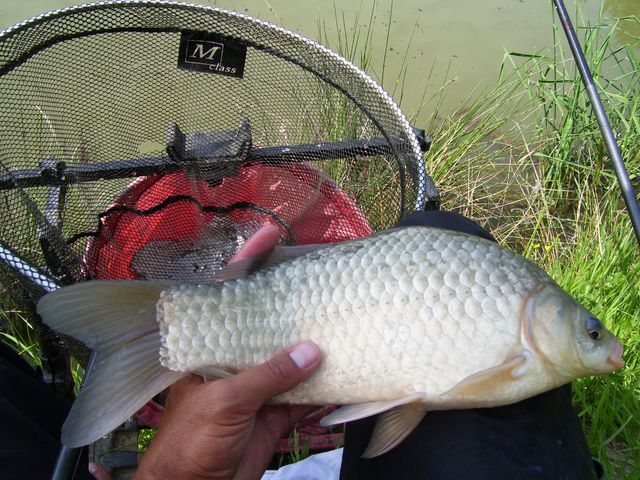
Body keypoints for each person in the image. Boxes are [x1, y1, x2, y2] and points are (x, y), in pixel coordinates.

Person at [0, 211, 600, 479]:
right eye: (591, 331)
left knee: (439, 234)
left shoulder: (515, 296)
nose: (598, 343)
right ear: (542, 315)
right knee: (446, 232)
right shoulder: (522, 315)